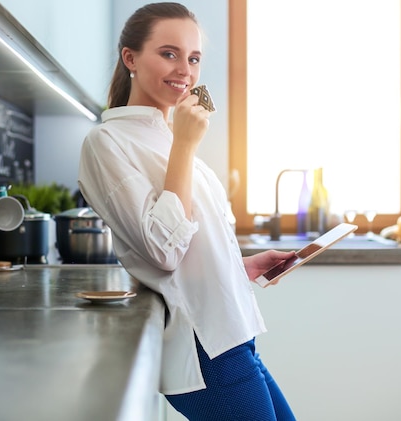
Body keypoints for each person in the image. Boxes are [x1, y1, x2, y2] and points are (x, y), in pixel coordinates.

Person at [78, 3, 298, 420]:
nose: (185, 70)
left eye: (193, 58)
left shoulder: (171, 134)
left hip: (234, 334)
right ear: (131, 58)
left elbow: (192, 243)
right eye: (169, 53)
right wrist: (184, 144)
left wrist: (242, 266)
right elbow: (164, 251)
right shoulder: (108, 142)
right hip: (203, 347)